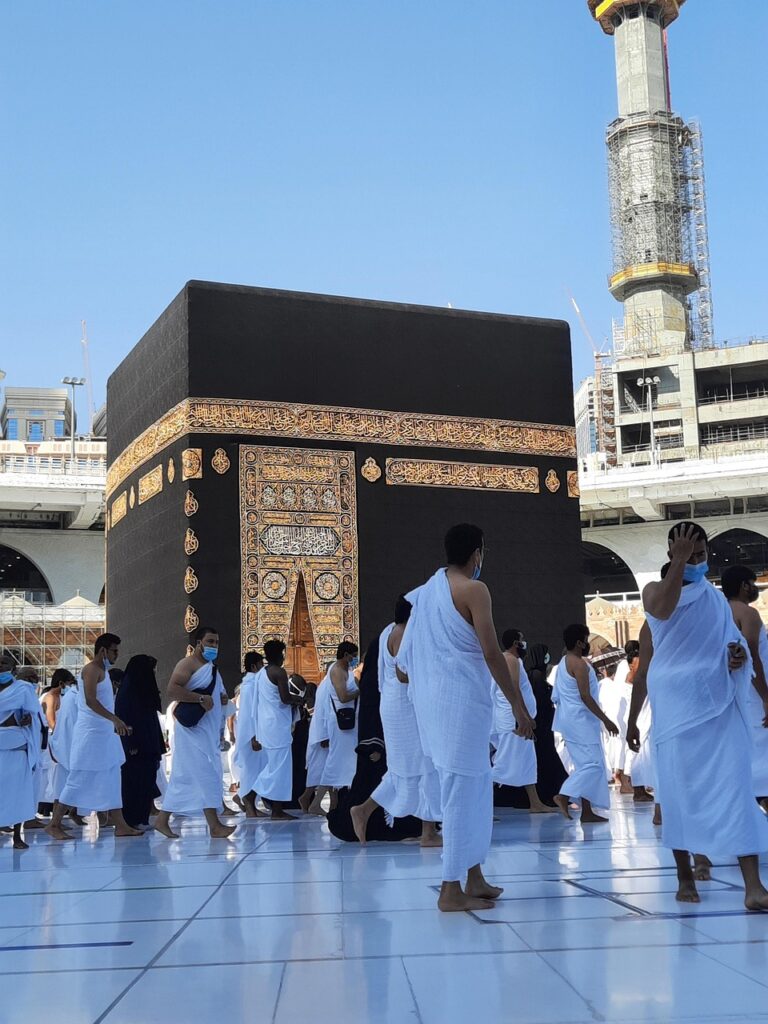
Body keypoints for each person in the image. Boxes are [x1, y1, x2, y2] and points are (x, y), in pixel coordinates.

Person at [397, 523, 535, 912]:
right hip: (460, 709)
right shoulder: (474, 590)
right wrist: (519, 708)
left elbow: (403, 663)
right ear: (477, 553)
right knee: (461, 793)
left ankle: (473, 876)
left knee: (474, 792)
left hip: (442, 708)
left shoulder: (426, 594)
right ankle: (449, 888)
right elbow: (492, 653)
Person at [640, 522, 768, 908]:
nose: (696, 562)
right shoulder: (654, 591)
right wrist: (679, 563)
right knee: (678, 792)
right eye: (688, 555)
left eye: (700, 556)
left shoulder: (714, 600)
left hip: (717, 703)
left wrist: (736, 657)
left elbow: (731, 644)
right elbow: (662, 608)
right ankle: (684, 876)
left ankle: (753, 887)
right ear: (671, 554)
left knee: (735, 786)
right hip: (678, 706)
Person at [350, 596, 442, 846]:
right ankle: (428, 832)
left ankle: (365, 810)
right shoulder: (404, 633)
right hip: (406, 708)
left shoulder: (387, 631)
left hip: (394, 706)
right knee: (426, 766)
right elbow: (404, 674)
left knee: (408, 770)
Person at [328, 636, 422, 844]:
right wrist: (373, 743)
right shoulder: (372, 681)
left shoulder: (383, 679)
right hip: (378, 743)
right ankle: (369, 818)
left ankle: (416, 823)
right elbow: (370, 711)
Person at [47, 634, 141, 840]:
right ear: (103, 651)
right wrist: (115, 719)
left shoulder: (103, 671)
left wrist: (115, 723)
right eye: (114, 651)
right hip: (90, 736)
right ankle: (54, 824)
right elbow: (90, 700)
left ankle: (121, 825)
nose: (117, 654)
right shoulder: (91, 670)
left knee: (112, 777)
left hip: (104, 735)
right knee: (78, 779)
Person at [154, 626, 235, 839]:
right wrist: (199, 699)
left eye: (216, 642)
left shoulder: (211, 668)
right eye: (210, 642)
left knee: (188, 777)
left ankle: (162, 820)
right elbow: (173, 690)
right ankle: (215, 826)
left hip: (206, 731)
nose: (213, 646)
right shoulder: (187, 664)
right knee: (206, 774)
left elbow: (216, 695)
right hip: (191, 731)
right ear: (199, 643)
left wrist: (222, 699)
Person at [552, 624, 619, 824]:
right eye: (586, 638)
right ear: (580, 642)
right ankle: (564, 795)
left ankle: (587, 812)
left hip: (570, 720)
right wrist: (606, 720)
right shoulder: (579, 665)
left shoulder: (565, 661)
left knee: (584, 765)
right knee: (593, 766)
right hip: (580, 722)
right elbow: (585, 696)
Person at [491, 629, 555, 813]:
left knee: (527, 761)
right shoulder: (510, 660)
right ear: (515, 643)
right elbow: (514, 689)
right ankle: (483, 805)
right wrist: (524, 716)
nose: (524, 643)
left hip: (516, 718)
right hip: (513, 720)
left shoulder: (512, 660)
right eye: (522, 640)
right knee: (503, 763)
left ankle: (535, 803)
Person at [722, 565, 768, 813]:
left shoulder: (719, 613)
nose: (755, 588)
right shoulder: (747, 613)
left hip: (734, 693)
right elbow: (752, 658)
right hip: (754, 694)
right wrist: (766, 697)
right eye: (752, 583)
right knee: (762, 752)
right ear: (743, 586)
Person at [252, 640, 304, 820]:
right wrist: (299, 700)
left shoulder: (260, 674)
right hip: (277, 727)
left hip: (266, 725)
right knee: (279, 769)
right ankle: (274, 809)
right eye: (282, 653)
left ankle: (257, 800)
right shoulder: (278, 672)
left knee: (275, 766)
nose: (284, 657)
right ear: (277, 654)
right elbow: (285, 698)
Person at [0, 655, 44, 849]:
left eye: (4, 664)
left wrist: (27, 719)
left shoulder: (23, 689)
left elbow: (34, 716)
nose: (1, 667)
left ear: (14, 669)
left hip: (17, 744)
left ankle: (18, 835)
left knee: (19, 792)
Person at [115, 655, 165, 829]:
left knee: (146, 781)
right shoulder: (128, 691)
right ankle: (131, 819)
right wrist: (131, 744)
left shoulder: (143, 689)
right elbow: (125, 719)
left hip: (148, 744)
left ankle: (141, 818)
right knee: (134, 782)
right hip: (136, 747)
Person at [523, 643, 566, 803]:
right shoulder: (535, 676)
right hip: (540, 725)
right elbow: (539, 701)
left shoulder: (537, 675)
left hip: (543, 725)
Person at [319, 642, 360, 806]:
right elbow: (343, 697)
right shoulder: (336, 671)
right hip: (340, 723)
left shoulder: (347, 671)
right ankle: (316, 801)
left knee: (346, 761)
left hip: (349, 723)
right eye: (353, 655)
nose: (354, 658)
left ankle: (339, 800)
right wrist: (361, 691)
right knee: (335, 761)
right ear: (346, 655)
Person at [233, 651, 266, 817]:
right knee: (252, 771)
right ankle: (248, 803)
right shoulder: (250, 686)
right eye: (261, 664)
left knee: (256, 770)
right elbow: (249, 714)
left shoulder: (253, 684)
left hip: (256, 734)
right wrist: (254, 736)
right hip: (252, 736)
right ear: (254, 666)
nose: (263, 668)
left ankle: (245, 800)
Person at [300, 667, 332, 815]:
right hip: (323, 735)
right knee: (326, 769)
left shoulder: (325, 685)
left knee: (322, 769)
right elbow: (325, 712)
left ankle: (309, 798)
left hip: (322, 734)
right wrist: (325, 735)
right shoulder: (327, 687)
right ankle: (313, 801)